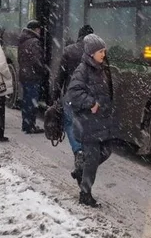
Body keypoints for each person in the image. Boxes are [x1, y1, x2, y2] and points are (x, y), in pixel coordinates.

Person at [63, 34, 116, 207]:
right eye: (101, 51)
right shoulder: (83, 70)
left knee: (106, 151)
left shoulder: (99, 67)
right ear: (91, 53)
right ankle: (85, 194)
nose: (104, 54)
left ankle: (80, 170)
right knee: (92, 159)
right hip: (88, 123)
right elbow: (73, 94)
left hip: (100, 121)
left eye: (104, 51)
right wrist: (91, 103)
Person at [54, 25, 94, 180]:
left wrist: (56, 94)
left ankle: (78, 151)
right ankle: (87, 155)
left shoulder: (69, 50)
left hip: (71, 96)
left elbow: (61, 75)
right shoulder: (96, 52)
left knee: (70, 123)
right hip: (89, 97)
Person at [18, 20, 46, 134]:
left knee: (26, 101)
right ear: (36, 29)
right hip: (32, 76)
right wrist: (43, 70)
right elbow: (37, 60)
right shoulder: (34, 42)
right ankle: (31, 126)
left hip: (24, 75)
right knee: (32, 101)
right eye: (39, 29)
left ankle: (26, 124)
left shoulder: (23, 40)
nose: (40, 31)